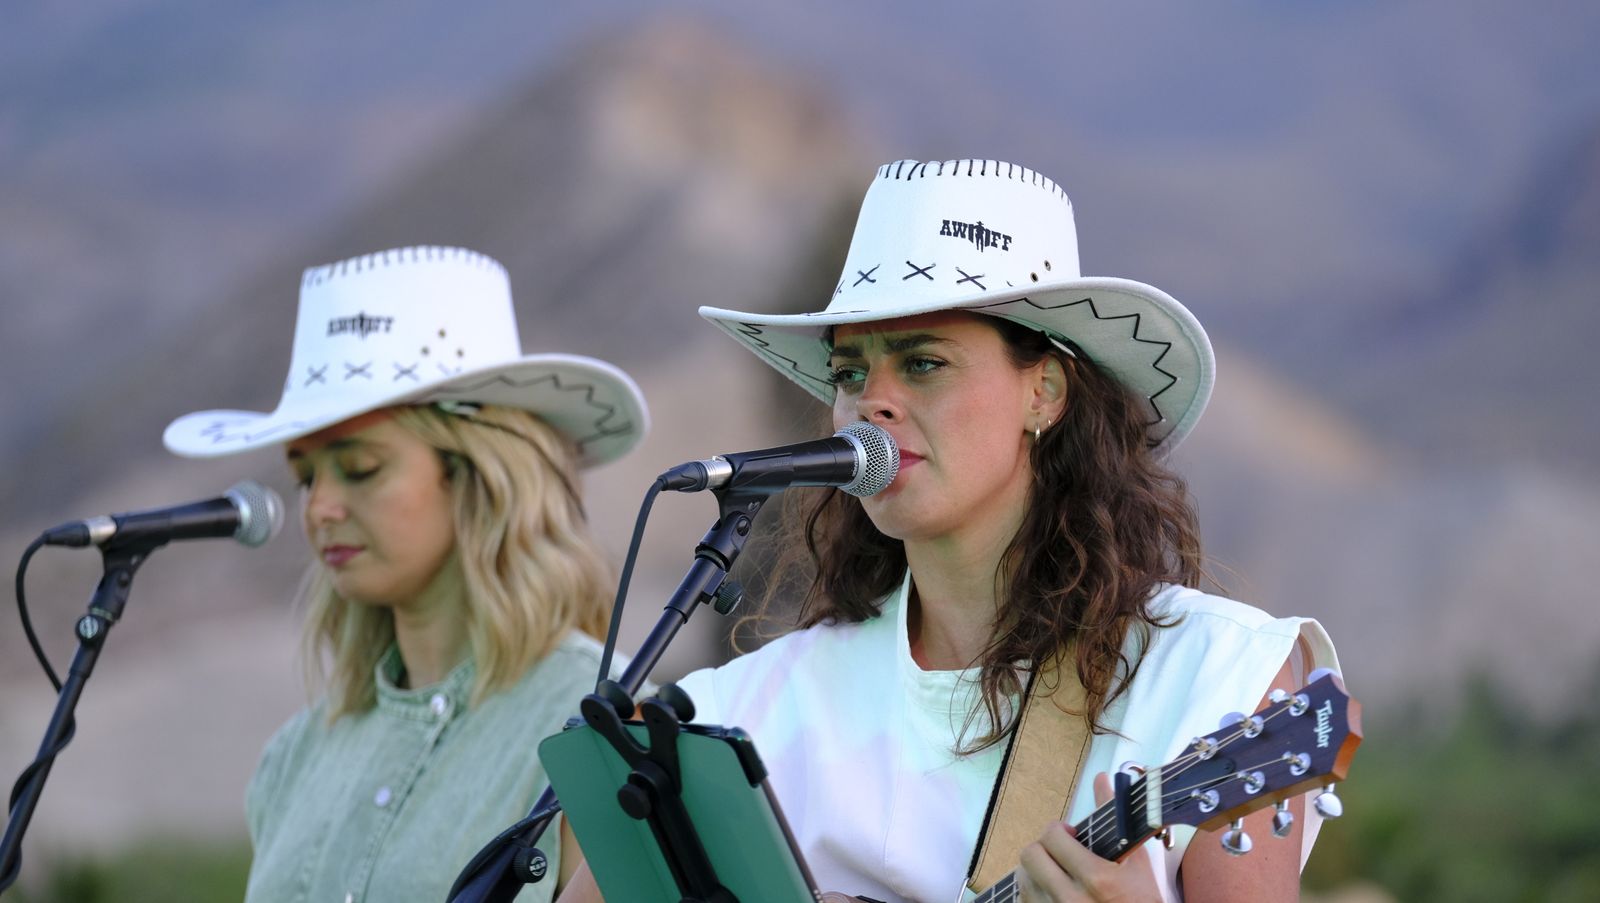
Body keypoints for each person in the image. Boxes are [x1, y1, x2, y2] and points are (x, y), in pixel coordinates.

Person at [560, 160, 1341, 903]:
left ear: (1045, 391)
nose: (872, 401)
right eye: (850, 372)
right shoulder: (736, 717)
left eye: (923, 363)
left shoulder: (1220, 682)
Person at [163, 246, 649, 903]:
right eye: (305, 477)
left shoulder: (606, 726)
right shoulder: (293, 758)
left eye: (360, 468)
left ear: (480, 474)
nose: (320, 508)